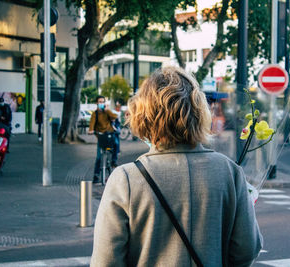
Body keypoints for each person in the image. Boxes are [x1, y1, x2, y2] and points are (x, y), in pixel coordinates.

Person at [91, 66, 263, 266]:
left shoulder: (126, 179)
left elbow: (106, 260)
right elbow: (247, 249)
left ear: (143, 116)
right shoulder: (229, 172)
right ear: (200, 112)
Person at [88, 96, 119, 183]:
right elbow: (92, 123)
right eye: (100, 102)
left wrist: (107, 110)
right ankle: (96, 175)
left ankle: (114, 160)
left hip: (109, 134)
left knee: (116, 143)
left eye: (103, 102)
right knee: (98, 157)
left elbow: (115, 116)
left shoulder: (107, 112)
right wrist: (91, 130)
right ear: (96, 103)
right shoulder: (95, 114)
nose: (101, 103)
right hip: (101, 136)